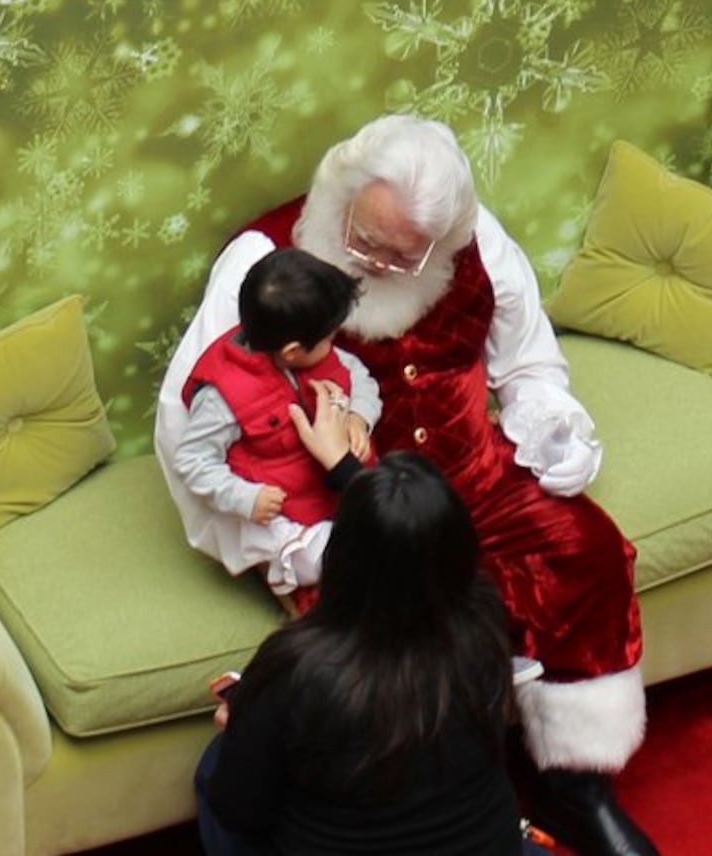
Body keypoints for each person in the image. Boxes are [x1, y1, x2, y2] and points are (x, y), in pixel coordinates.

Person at [165, 116, 655, 856]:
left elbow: (528, 365)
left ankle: (578, 780)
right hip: (354, 515)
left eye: (408, 254)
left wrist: (551, 426)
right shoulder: (267, 265)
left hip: (475, 485)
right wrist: (290, 541)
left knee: (582, 548)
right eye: (367, 243)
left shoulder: (475, 243)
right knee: (377, 646)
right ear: (341, 198)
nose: (385, 267)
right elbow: (189, 434)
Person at [196, 454, 533, 856]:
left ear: (341, 557)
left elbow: (238, 809)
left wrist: (245, 725)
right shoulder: (482, 617)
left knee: (216, 764)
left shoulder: (298, 666)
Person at [168, 246, 384, 597]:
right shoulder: (223, 396)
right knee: (336, 559)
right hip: (287, 514)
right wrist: (245, 497)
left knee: (386, 527)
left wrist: (360, 418)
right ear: (292, 352)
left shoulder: (319, 354)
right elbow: (192, 461)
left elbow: (360, 377)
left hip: (342, 483)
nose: (335, 344)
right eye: (329, 338)